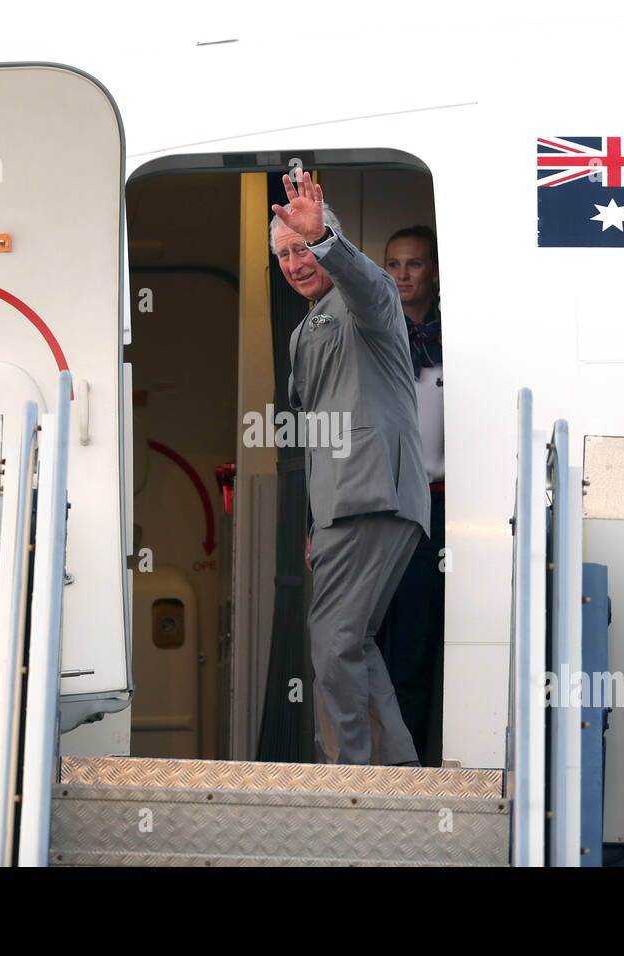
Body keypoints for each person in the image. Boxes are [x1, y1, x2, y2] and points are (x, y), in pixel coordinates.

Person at [271, 172, 430, 767]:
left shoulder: (369, 301)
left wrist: (325, 241)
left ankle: (348, 778)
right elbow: (315, 435)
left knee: (333, 643)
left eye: (305, 247)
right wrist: (316, 524)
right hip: (340, 506)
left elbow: (367, 282)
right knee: (352, 641)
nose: (296, 262)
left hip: (373, 494)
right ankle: (395, 771)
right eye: (285, 254)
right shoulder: (302, 331)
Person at [375, 225, 444, 763]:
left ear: (435, 273)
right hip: (383, 503)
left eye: (413, 265)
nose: (401, 275)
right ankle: (381, 764)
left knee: (423, 642)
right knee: (376, 639)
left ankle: (417, 764)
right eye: (393, 265)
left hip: (444, 504)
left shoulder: (457, 339)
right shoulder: (375, 334)